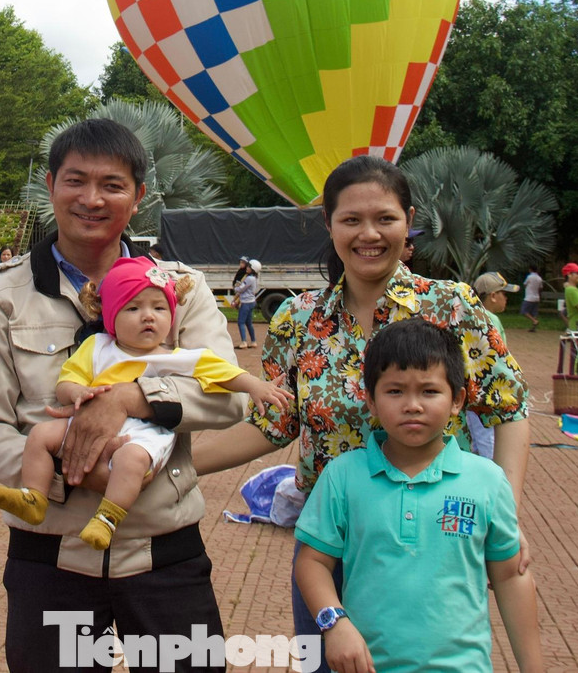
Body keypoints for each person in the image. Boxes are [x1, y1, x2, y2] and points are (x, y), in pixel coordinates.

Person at [192, 156, 530, 672]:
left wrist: (504, 512)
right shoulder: (297, 320)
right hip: (327, 556)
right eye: (351, 220)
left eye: (385, 219)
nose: (368, 234)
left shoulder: (452, 308)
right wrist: (175, 466)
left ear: (408, 220)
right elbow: (275, 424)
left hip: (430, 547)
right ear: (328, 225)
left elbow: (509, 408)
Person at [0, 118, 242, 673]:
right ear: (50, 186)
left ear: (137, 198)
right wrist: (71, 469)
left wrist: (133, 399)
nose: (91, 199)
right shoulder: (2, 295)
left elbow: (230, 398)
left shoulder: (180, 289)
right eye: (75, 181)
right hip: (51, 559)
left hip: (165, 555)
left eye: (112, 185)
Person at [0, 256, 290, 551]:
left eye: (159, 308)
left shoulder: (176, 358)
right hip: (81, 435)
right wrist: (76, 394)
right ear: (111, 317)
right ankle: (33, 497)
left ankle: (107, 518)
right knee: (40, 437)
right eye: (133, 308)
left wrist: (256, 387)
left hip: (142, 434)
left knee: (132, 461)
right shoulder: (97, 346)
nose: (148, 316)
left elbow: (224, 375)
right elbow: (67, 382)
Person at [294, 320, 544, 673]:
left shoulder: (486, 481)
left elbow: (510, 576)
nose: (412, 405)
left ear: (457, 400)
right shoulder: (343, 476)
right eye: (395, 391)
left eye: (429, 391)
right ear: (371, 401)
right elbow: (313, 562)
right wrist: (334, 622)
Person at [467, 271, 520, 459]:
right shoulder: (490, 318)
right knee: (487, 445)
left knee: (479, 441)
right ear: (493, 296)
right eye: (504, 294)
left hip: (476, 390)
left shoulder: (473, 313)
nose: (506, 298)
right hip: (487, 391)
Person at [234, 258, 260, 349]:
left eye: (249, 266)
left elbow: (240, 289)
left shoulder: (249, 278)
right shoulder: (255, 278)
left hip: (246, 303)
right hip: (251, 302)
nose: (247, 268)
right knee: (249, 323)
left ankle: (244, 342)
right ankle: (253, 341)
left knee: (241, 322)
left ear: (252, 269)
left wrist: (236, 287)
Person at [521, 267, 543, 332]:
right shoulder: (539, 278)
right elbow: (540, 288)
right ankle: (533, 327)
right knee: (534, 313)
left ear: (530, 269)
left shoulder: (529, 277)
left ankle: (534, 321)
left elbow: (524, 284)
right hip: (536, 297)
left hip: (529, 297)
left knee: (524, 311)